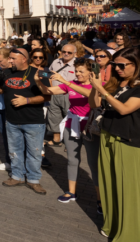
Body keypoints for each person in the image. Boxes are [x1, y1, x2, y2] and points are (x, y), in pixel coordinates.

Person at [87, 47, 140, 240]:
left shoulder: (138, 86)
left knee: (128, 189)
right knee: (109, 184)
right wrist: (95, 86)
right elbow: (94, 104)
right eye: (115, 64)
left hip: (128, 142)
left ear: (137, 64)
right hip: (107, 136)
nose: (117, 68)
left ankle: (129, 234)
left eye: (122, 65)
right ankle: (112, 224)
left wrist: (102, 90)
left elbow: (125, 109)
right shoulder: (115, 83)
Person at [35, 59, 100, 205]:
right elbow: (48, 91)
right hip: (72, 124)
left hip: (90, 127)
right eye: (76, 71)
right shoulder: (72, 83)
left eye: (81, 71)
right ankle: (71, 192)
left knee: (93, 163)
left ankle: (99, 198)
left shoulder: (98, 84)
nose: (77, 74)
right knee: (72, 160)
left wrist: (67, 82)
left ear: (91, 72)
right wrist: (39, 81)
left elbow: (91, 95)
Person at [0, 48, 50, 194]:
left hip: (33, 121)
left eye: (13, 58)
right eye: (9, 58)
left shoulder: (39, 73)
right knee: (14, 151)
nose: (10, 60)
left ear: (24, 59)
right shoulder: (7, 72)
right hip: (12, 120)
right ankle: (17, 176)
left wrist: (27, 100)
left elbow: (48, 96)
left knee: (34, 153)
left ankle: (34, 180)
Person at [47, 44, 77, 147]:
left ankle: (69, 142)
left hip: (69, 94)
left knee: (69, 118)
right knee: (54, 116)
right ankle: (56, 140)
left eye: (69, 52)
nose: (66, 54)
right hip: (54, 93)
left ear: (75, 54)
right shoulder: (56, 61)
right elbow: (49, 75)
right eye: (64, 51)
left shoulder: (78, 64)